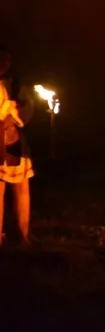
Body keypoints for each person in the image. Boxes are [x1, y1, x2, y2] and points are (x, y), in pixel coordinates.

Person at [0, 51, 28, 246]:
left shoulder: (16, 84)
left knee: (21, 185)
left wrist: (19, 113)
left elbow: (26, 111)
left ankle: (22, 235)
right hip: (3, 139)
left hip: (13, 139)